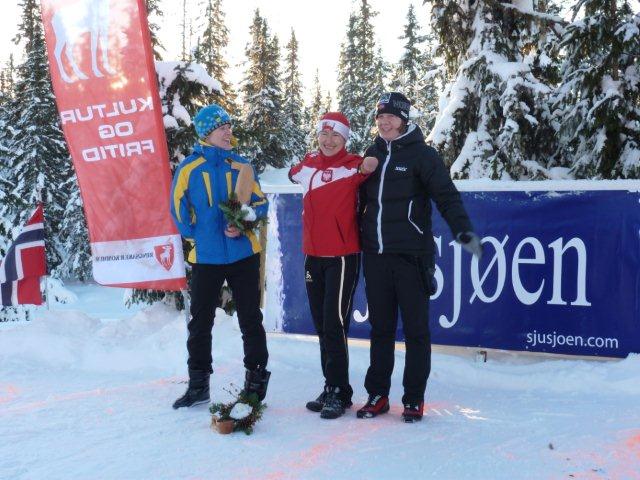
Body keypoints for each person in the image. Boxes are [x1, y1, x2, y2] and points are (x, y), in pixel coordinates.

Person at [356, 92, 483, 423]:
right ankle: (377, 394)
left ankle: (413, 398)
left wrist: (463, 231)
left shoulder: (423, 156)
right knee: (380, 328)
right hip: (376, 256)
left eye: (391, 117)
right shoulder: (371, 154)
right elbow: (354, 198)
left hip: (412, 256)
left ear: (404, 119)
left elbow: (446, 197)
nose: (384, 122)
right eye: (380, 117)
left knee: (415, 331)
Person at [170, 104, 271, 409]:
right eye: (221, 127)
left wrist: (244, 222)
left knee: (251, 319)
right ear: (206, 133)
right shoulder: (189, 168)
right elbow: (177, 207)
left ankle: (254, 386)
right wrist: (195, 234)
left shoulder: (241, 165)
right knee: (200, 322)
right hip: (207, 257)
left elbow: (261, 203)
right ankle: (198, 385)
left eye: (229, 126)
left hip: (243, 254)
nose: (228, 132)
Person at [288, 112, 378, 419]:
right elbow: (293, 172)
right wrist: (300, 164)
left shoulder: (351, 165)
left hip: (341, 256)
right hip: (313, 256)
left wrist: (368, 163)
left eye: (336, 136)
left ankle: (341, 391)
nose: (329, 141)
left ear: (345, 139)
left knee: (334, 323)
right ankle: (331, 386)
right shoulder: (309, 165)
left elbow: (368, 166)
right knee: (320, 323)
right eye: (325, 135)